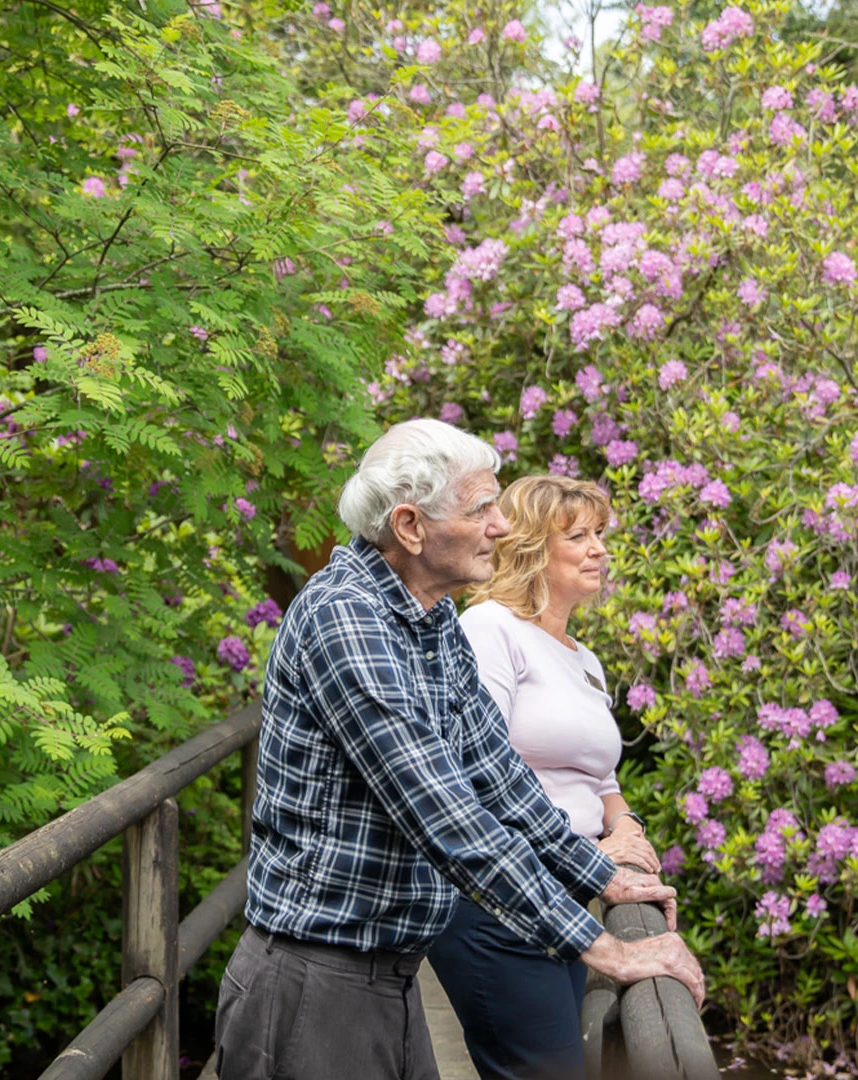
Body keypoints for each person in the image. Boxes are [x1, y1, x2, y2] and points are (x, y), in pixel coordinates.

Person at [213, 419, 704, 1080]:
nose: (501, 527)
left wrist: (604, 878)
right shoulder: (345, 617)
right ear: (410, 526)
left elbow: (496, 772)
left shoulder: (431, 614)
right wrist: (609, 950)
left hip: (392, 973)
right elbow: (447, 816)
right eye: (481, 510)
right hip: (317, 983)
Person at [428, 474, 660, 1080]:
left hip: (567, 894)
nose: (599, 549)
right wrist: (595, 853)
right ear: (531, 547)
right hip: (498, 899)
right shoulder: (490, 629)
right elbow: (476, 772)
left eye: (600, 533)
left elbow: (602, 780)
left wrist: (625, 828)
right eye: (578, 536)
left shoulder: (585, 659)